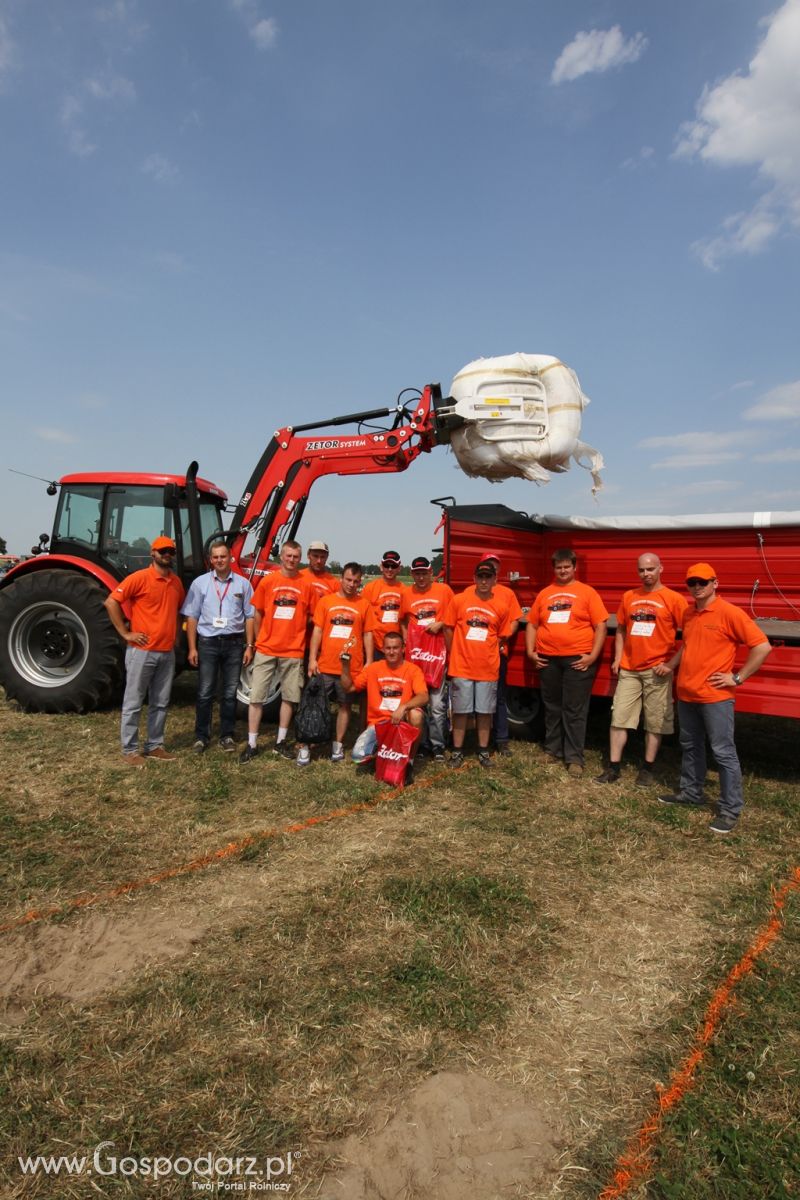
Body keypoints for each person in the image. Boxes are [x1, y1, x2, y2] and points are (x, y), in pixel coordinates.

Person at [656, 562, 771, 834]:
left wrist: (738, 678)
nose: (697, 587)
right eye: (692, 583)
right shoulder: (688, 613)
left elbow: (762, 646)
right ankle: (691, 793)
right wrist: (672, 666)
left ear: (715, 583)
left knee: (723, 752)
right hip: (687, 694)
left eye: (702, 582)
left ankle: (730, 810)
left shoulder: (730, 613)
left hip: (715, 698)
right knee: (691, 746)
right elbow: (689, 646)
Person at [596, 553, 687, 786]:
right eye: (642, 570)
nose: (646, 574)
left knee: (654, 722)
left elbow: (691, 636)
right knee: (619, 718)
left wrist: (670, 664)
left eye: (651, 569)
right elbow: (621, 630)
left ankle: (647, 769)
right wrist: (618, 658)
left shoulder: (674, 599)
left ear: (661, 569)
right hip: (629, 669)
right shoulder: (629, 596)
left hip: (657, 671)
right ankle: (613, 768)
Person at [525, 548, 608, 778]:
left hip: (577, 660)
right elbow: (532, 624)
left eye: (566, 566)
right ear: (554, 569)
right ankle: (552, 749)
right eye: (559, 567)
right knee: (552, 707)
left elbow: (601, 625)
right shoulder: (545, 594)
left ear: (574, 567)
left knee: (575, 710)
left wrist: (592, 655)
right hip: (547, 659)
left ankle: (574, 758)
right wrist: (531, 652)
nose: (563, 570)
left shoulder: (587, 592)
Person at [104, 535, 185, 766]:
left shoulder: (176, 582)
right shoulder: (139, 578)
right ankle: (130, 750)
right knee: (133, 701)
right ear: (153, 553)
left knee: (160, 701)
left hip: (166, 652)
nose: (167, 555)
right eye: (163, 551)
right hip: (142, 652)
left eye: (170, 551)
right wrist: (126, 633)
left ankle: (154, 746)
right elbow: (111, 602)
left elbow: (178, 612)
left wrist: (176, 637)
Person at [240, 540, 316, 763]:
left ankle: (280, 743)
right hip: (267, 648)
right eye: (288, 556)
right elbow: (258, 614)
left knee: (289, 697)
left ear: (299, 558)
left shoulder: (306, 584)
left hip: (293, 650)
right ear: (281, 556)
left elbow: (312, 615)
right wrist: (256, 642)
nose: (292, 560)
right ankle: (252, 744)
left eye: (296, 556)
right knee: (257, 697)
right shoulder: (268, 581)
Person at [443, 557, 517, 768]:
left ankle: (483, 751)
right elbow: (448, 627)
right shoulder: (459, 600)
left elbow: (503, 635)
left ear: (495, 579)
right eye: (480, 577)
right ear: (474, 578)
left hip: (488, 668)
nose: (484, 581)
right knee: (461, 711)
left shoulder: (501, 607)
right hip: (462, 666)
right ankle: (457, 751)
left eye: (488, 577)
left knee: (485, 711)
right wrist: (453, 651)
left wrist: (488, 650)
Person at [182, 541, 255, 753]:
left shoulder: (243, 585)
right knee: (205, 692)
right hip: (208, 643)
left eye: (223, 556)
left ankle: (226, 735)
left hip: (234, 644)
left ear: (230, 557)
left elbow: (250, 617)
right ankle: (201, 737)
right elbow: (192, 616)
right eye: (215, 557)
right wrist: (192, 648)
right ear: (210, 560)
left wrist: (249, 645)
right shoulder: (200, 583)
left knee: (230, 693)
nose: (219, 560)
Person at [299, 562, 375, 765]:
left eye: (356, 581)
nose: (352, 584)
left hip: (350, 668)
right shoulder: (326, 602)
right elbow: (317, 631)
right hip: (324, 665)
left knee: (345, 705)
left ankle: (338, 745)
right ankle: (307, 744)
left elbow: (368, 633)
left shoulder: (364, 604)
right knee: (313, 705)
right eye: (349, 580)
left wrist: (368, 661)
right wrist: (313, 659)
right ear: (341, 579)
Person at [340, 629, 428, 783]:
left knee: (417, 714)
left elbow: (424, 696)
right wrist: (345, 666)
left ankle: (409, 762)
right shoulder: (373, 668)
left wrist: (404, 707)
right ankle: (385, 754)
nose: (392, 652)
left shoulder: (413, 670)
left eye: (395, 648)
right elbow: (349, 688)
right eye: (388, 648)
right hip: (378, 724)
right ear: (383, 649)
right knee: (358, 756)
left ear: (403, 649)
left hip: (401, 723)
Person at [400, 555, 454, 761]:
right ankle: (421, 744)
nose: (421, 577)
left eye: (424, 573)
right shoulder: (407, 593)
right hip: (416, 656)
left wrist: (440, 624)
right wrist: (406, 639)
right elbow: (404, 620)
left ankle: (438, 745)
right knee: (418, 702)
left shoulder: (444, 591)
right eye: (417, 573)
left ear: (431, 573)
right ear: (412, 574)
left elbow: (453, 615)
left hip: (437, 655)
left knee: (438, 704)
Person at [477, 551, 523, 757]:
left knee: (499, 696)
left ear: (498, 571)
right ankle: (475, 740)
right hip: (473, 655)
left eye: (494, 566)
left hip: (497, 652)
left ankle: (501, 739)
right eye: (487, 566)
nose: (491, 570)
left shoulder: (507, 594)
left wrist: (503, 638)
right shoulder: (471, 591)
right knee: (473, 698)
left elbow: (514, 620)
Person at [361, 550, 406, 659]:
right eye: (387, 565)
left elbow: (406, 620)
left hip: (397, 646)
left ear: (399, 568)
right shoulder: (370, 588)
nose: (390, 569)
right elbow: (362, 617)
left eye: (393, 566)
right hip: (375, 645)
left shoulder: (405, 590)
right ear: (381, 566)